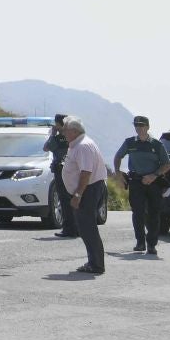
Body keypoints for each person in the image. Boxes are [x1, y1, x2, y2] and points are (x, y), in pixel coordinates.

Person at [113, 115, 169, 255]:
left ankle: (151, 244)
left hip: (153, 182)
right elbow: (118, 156)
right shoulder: (130, 143)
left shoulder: (156, 144)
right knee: (137, 213)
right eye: (136, 125)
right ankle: (140, 242)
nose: (139, 128)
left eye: (141, 125)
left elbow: (167, 164)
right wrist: (118, 172)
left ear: (148, 127)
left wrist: (154, 176)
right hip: (136, 181)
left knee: (154, 213)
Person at [61, 117, 107, 275]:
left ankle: (96, 264)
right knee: (85, 227)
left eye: (65, 129)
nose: (63, 132)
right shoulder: (77, 144)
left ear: (74, 131)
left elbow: (86, 173)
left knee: (88, 227)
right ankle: (93, 262)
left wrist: (78, 194)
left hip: (88, 190)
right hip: (87, 189)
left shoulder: (83, 146)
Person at [45, 114, 76, 237]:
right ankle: (76, 227)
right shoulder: (73, 136)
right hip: (73, 172)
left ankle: (69, 229)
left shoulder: (58, 139)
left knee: (64, 200)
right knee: (73, 198)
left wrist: (52, 134)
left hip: (62, 172)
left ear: (59, 124)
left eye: (56, 124)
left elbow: (45, 148)